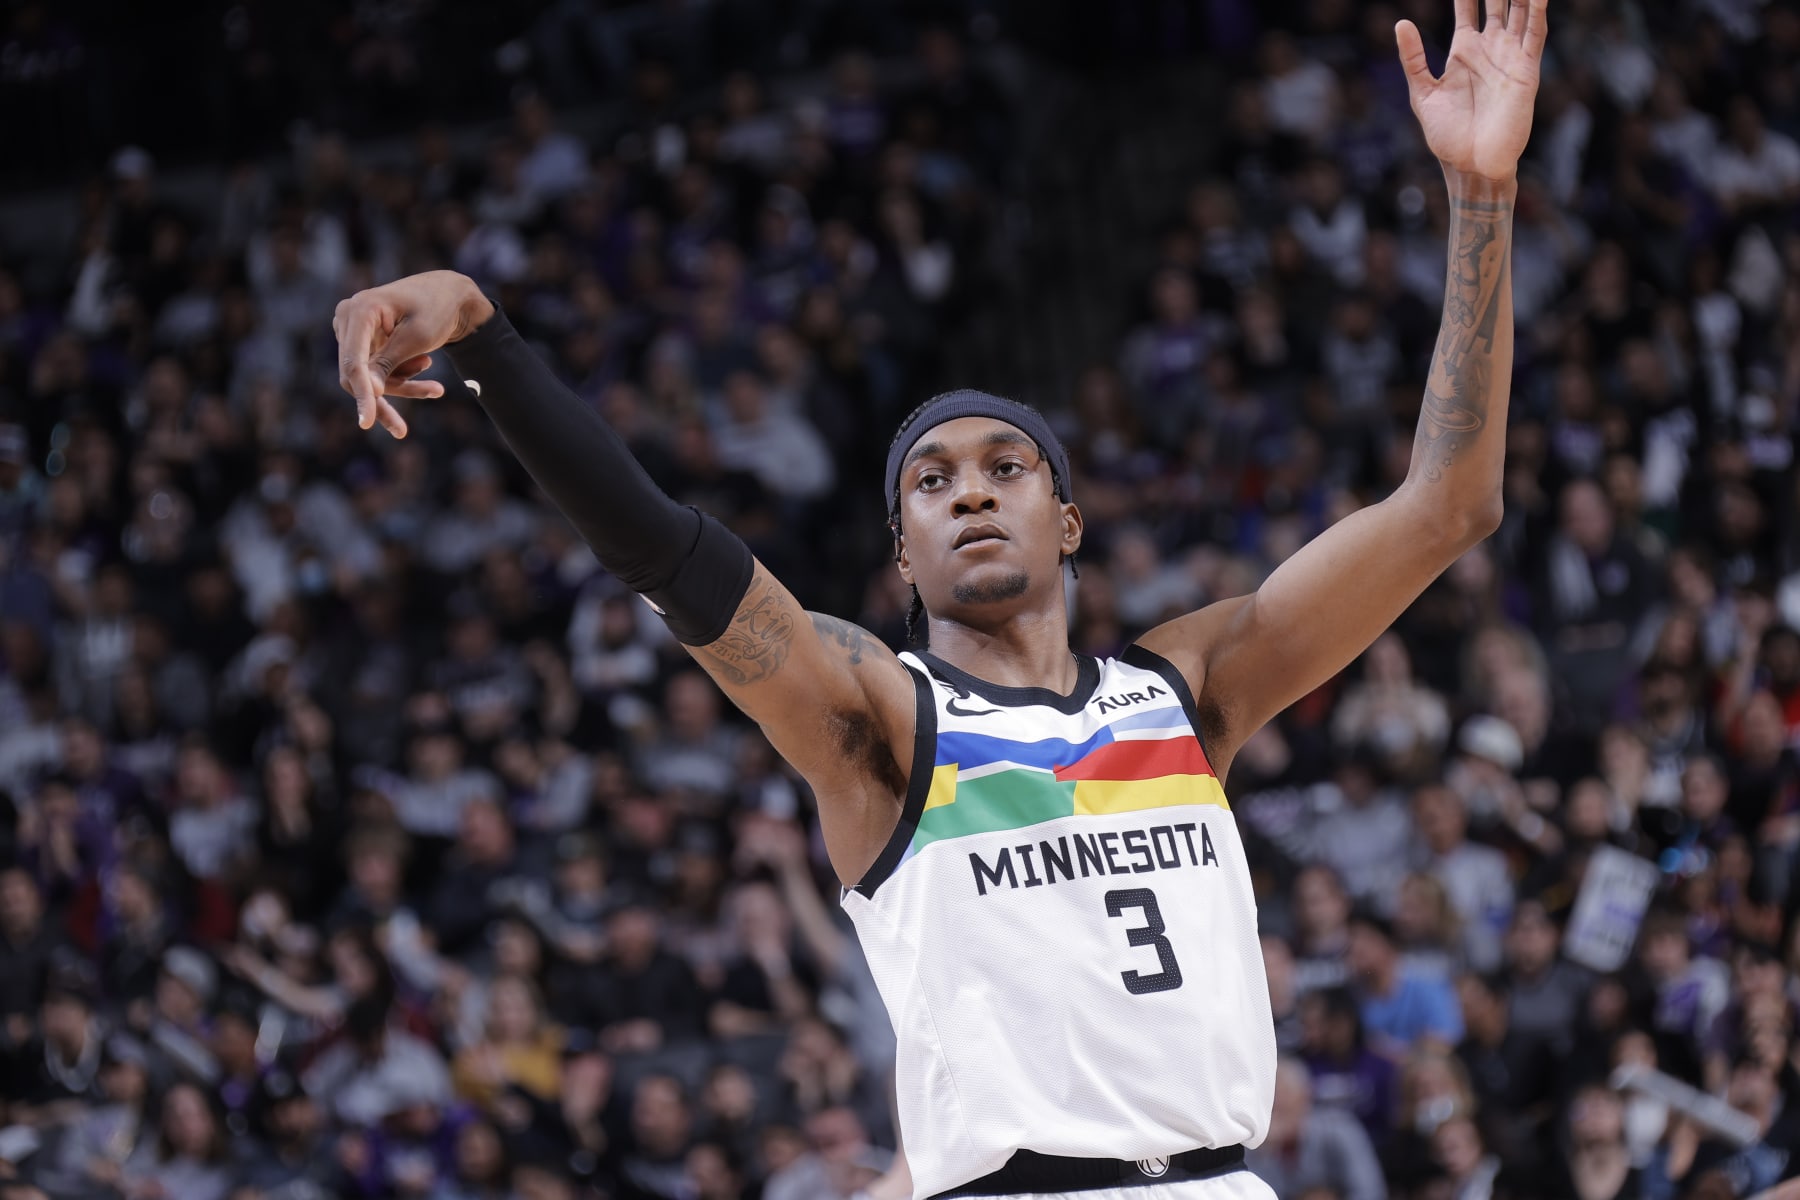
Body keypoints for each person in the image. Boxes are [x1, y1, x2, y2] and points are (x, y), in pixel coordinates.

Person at [331, 2, 1547, 1195]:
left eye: (1005, 468)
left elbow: (1449, 506)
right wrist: (487, 338)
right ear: (899, 554)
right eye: (932, 480)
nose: (970, 494)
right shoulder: (883, 724)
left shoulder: (1188, 690)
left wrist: (1481, 194)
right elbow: (665, 550)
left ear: (1065, 522)